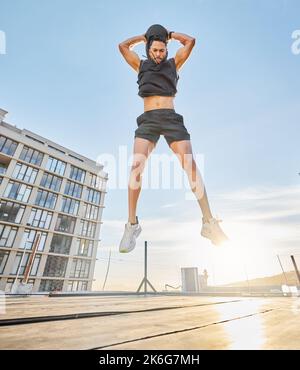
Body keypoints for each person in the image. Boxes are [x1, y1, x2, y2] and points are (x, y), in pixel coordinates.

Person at [118, 24, 229, 253]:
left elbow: (190, 41)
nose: (158, 54)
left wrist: (168, 36)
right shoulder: (140, 65)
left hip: (170, 118)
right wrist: (144, 36)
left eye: (162, 50)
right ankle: (131, 225)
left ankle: (208, 223)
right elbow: (122, 46)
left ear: (166, 50)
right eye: (155, 49)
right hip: (148, 119)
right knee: (136, 167)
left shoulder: (173, 64)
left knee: (190, 165)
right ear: (149, 49)